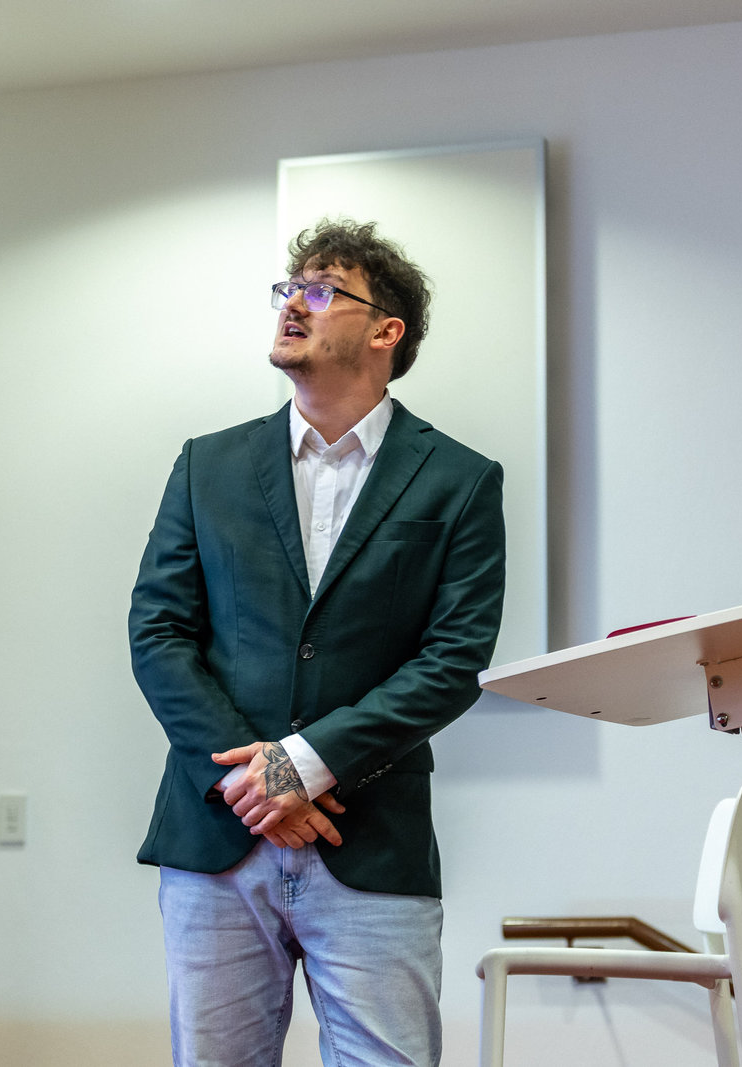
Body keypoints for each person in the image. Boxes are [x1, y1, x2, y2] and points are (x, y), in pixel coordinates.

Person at [130, 219, 507, 1066]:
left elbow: (455, 660)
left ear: (386, 331)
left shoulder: (459, 479)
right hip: (217, 835)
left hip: (369, 840)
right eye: (290, 288)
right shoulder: (206, 465)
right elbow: (158, 631)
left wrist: (304, 764)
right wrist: (254, 780)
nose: (294, 305)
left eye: (323, 290)